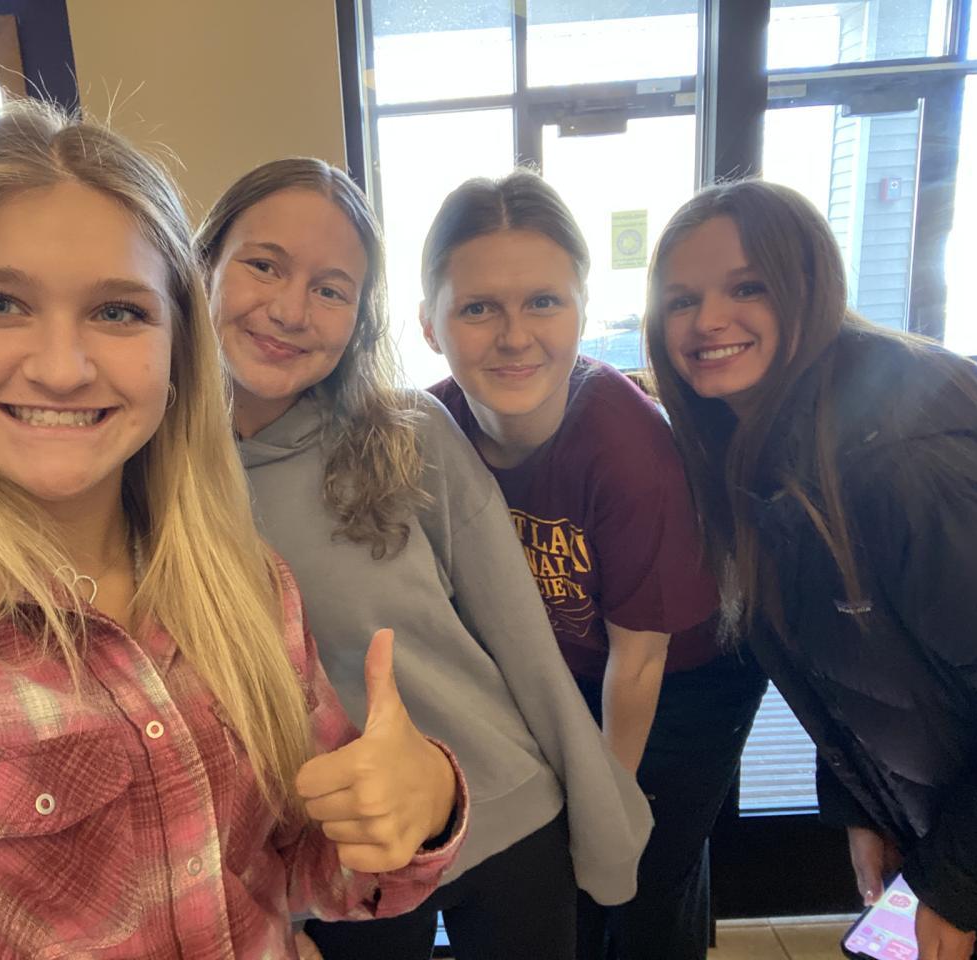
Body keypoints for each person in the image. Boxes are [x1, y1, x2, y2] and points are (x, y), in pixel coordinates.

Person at [0, 103, 470, 959]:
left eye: (118, 312)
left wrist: (423, 799)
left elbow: (305, 867)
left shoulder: (247, 588)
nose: (61, 368)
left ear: (177, 350)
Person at [196, 158, 652, 960]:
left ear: (359, 317)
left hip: (504, 811)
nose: (291, 310)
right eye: (264, 265)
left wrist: (605, 825)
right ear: (203, 266)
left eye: (331, 289)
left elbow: (523, 645)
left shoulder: (409, 435)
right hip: (335, 857)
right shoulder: (152, 480)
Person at [644, 178, 977, 960]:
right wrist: (859, 803)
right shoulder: (761, 447)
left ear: (809, 287)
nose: (708, 320)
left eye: (747, 287)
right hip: (957, 825)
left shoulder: (908, 458)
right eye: (681, 300)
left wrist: (960, 886)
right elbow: (844, 662)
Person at [420, 170, 768, 960]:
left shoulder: (627, 450)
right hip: (563, 668)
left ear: (582, 309)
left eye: (544, 301)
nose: (515, 336)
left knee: (640, 873)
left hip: (678, 680)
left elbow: (639, 662)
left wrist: (604, 808)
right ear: (430, 325)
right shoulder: (430, 429)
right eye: (478, 308)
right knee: (562, 883)